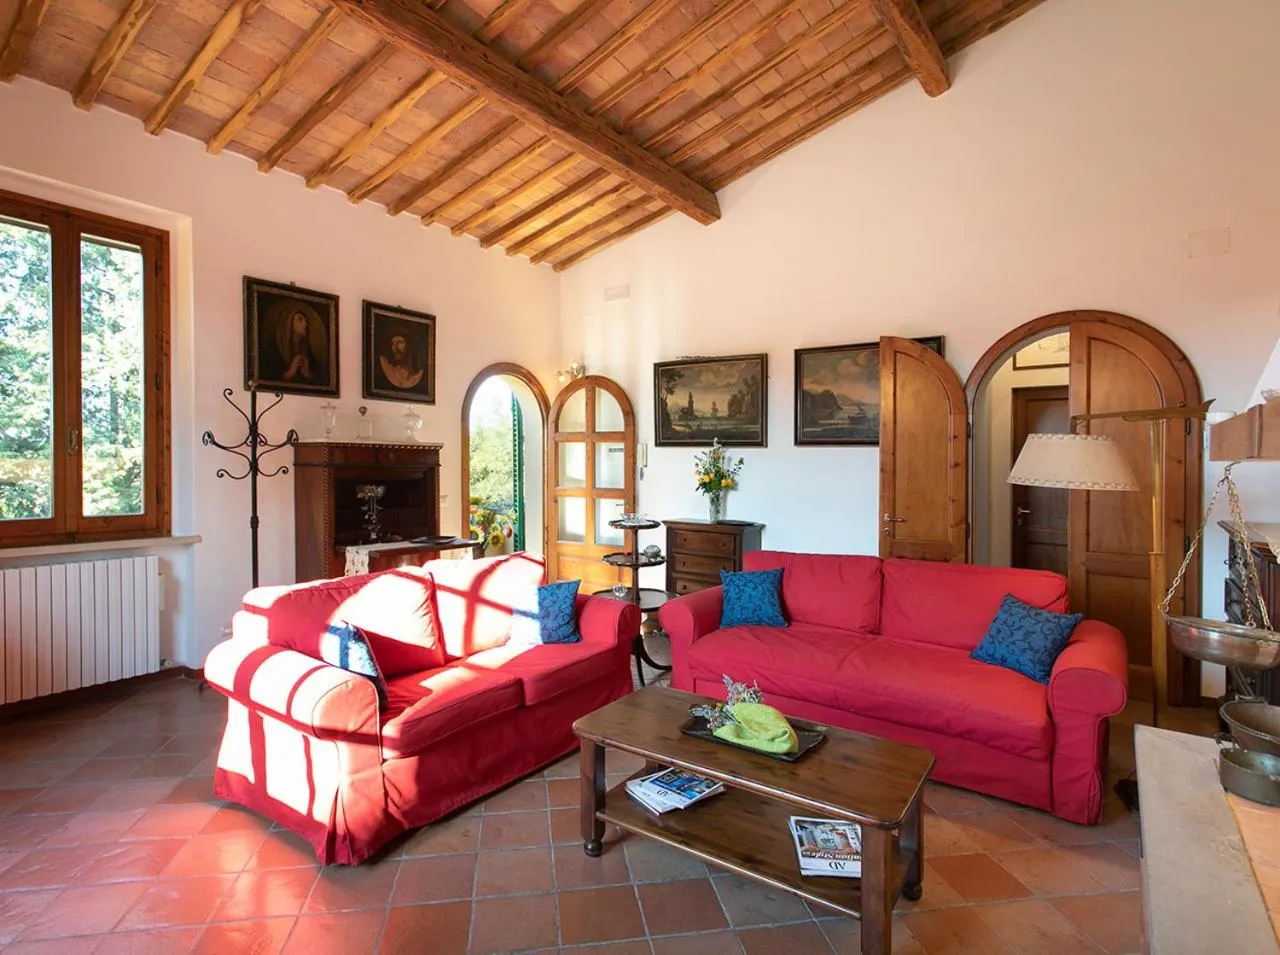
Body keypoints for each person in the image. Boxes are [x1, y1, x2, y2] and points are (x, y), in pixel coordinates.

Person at [274, 308, 326, 385]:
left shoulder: (308, 353)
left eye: (306, 321)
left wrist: (308, 374)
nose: (305, 324)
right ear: (288, 323)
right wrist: (289, 373)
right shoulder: (274, 351)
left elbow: (322, 379)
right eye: (300, 320)